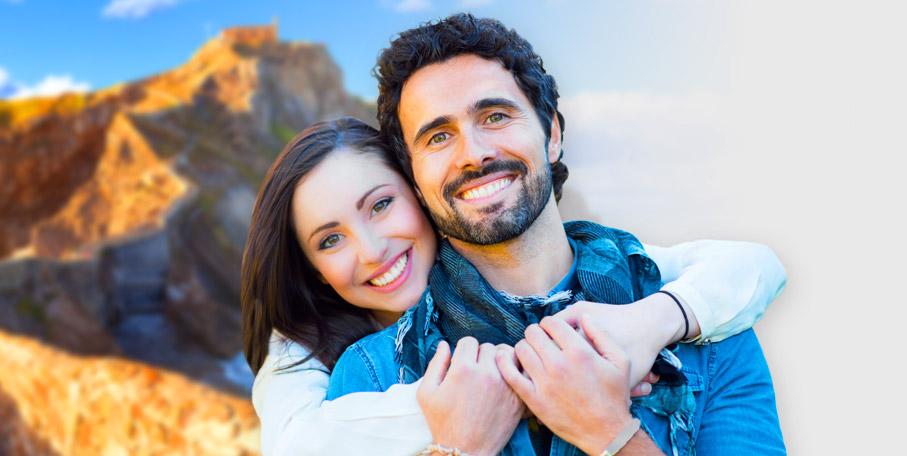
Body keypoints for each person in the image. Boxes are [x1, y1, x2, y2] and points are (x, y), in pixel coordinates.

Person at [321, 13, 784, 456]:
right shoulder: (370, 375)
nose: (474, 154)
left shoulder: (704, 328)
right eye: (438, 137)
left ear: (552, 134)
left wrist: (611, 434)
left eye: (496, 116)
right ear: (414, 180)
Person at [243, 118, 783, 455]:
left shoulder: (656, 296)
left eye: (381, 205)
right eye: (329, 240)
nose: (371, 250)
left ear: (421, 190)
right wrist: (465, 437)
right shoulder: (340, 369)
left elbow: (742, 265)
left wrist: (650, 329)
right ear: (312, 269)